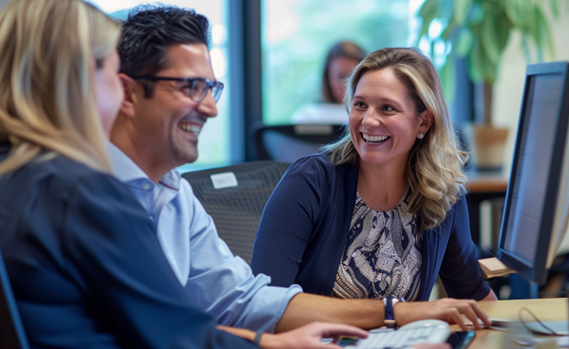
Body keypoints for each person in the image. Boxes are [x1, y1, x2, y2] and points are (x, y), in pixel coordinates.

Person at [0, 0, 369, 347]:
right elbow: (175, 332)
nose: (118, 86)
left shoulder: (22, 179)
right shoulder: (81, 192)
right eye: (108, 71)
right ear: (71, 82)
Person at [109, 4, 491, 335]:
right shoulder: (87, 197)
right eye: (191, 87)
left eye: (211, 88)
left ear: (423, 123)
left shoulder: (174, 195)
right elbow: (158, 324)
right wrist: (395, 312)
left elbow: (244, 300)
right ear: (125, 92)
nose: (210, 108)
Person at [251, 48, 498, 305]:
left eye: (387, 108)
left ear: (423, 122)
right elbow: (267, 302)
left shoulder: (440, 193)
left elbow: (470, 292)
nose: (368, 121)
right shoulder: (310, 182)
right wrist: (393, 314)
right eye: (360, 105)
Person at [290, 41, 366, 124]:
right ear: (327, 78)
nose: (349, 85)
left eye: (356, 76)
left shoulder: (373, 116)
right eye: (341, 77)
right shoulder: (307, 117)